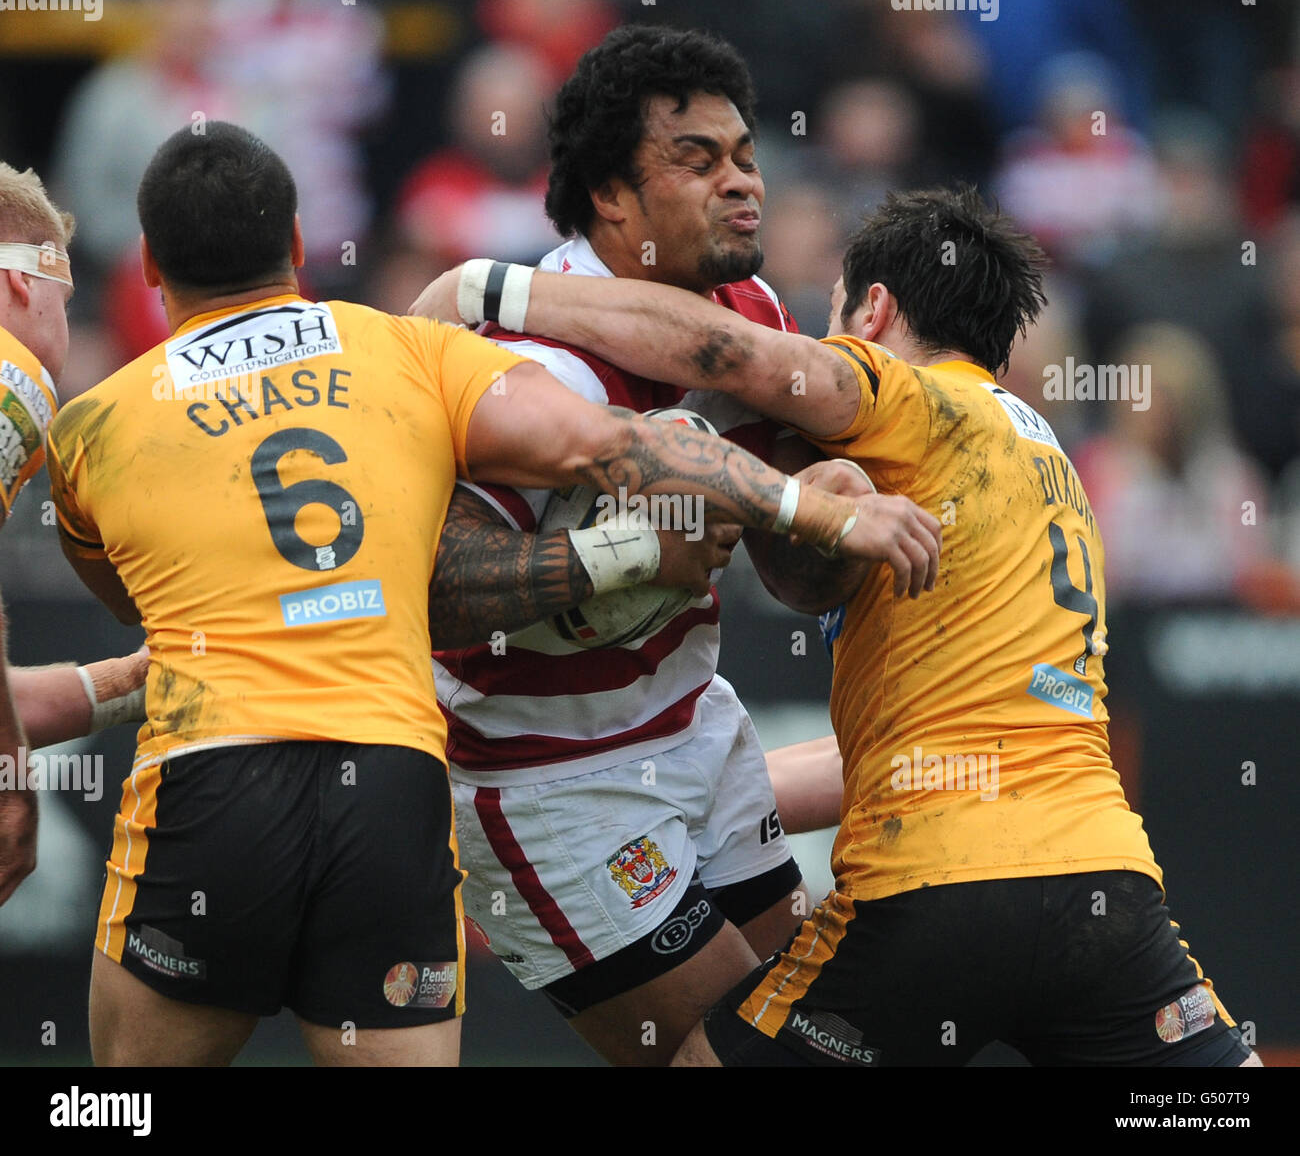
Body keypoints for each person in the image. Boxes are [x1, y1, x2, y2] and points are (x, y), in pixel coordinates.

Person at [44, 122, 939, 1067]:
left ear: (146, 265)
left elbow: (140, 610)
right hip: (388, 784)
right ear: (300, 247)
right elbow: (624, 446)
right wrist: (809, 509)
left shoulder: (90, 426)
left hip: (213, 775)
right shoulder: (402, 349)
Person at [410, 184, 1259, 1067]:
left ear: (877, 311)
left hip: (933, 894)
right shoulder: (1053, 464)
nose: (818, 340)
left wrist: (492, 291)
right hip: (1105, 888)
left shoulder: (915, 403)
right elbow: (935, 753)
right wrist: (682, 797)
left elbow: (729, 351)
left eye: (834, 316)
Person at [421, 26, 879, 1066]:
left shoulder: (746, 312)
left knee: (804, 1035)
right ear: (612, 198)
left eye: (746, 154)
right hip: (550, 780)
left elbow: (795, 580)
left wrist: (818, 504)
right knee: (743, 1050)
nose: (741, 183)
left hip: (695, 729)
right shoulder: (536, 368)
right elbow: (436, 589)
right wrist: (629, 552)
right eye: (697, 159)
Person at [0, 162, 149, 909]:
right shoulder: (13, 379)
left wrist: (136, 682)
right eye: (65, 304)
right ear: (24, 287)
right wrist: (12, 789)